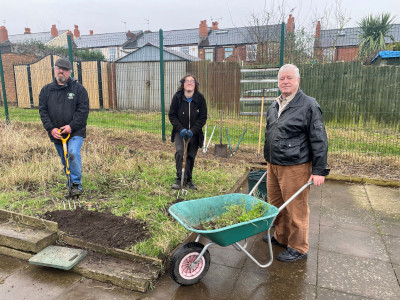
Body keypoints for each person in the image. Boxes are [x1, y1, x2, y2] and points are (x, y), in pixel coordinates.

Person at [263, 64, 329, 262]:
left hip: (296, 165)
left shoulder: (309, 105)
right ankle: (282, 237)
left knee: (296, 208)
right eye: (282, 78)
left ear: (298, 81)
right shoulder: (274, 104)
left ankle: (299, 247)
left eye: (289, 78)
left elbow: (319, 138)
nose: (285, 81)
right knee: (276, 204)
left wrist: (319, 170)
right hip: (273, 164)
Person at [39, 58, 89, 196]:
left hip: (75, 131)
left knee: (72, 154)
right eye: (58, 68)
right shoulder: (46, 91)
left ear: (69, 72)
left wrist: (71, 126)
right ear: (54, 69)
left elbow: (83, 111)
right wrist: (51, 128)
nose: (61, 71)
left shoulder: (79, 90)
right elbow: (43, 111)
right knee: (64, 159)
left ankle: (76, 185)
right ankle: (70, 184)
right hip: (57, 133)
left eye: (65, 69)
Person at [168, 74, 207, 190]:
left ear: (195, 85)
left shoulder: (200, 98)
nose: (189, 83)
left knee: (190, 155)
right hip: (180, 132)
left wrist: (193, 130)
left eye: (192, 81)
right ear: (183, 84)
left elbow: (203, 117)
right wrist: (181, 129)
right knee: (180, 153)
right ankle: (180, 179)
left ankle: (188, 180)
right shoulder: (177, 97)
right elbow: (172, 115)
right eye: (187, 81)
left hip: (194, 133)